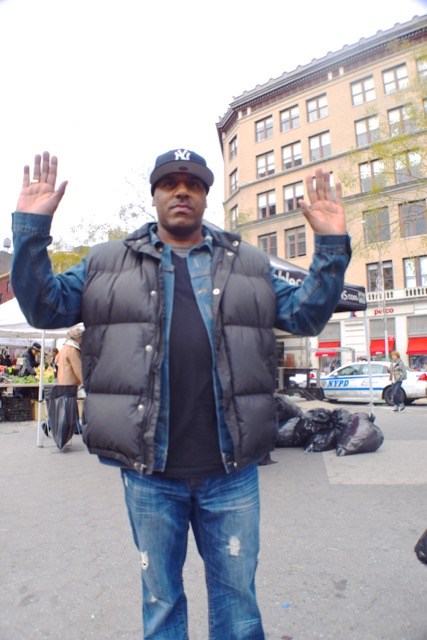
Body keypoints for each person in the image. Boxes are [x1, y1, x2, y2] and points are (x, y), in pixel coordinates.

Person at [11, 149, 351, 640]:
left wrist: (331, 244)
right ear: (154, 195)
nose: (181, 190)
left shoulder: (248, 265)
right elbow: (44, 307)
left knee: (238, 604)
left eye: (193, 182)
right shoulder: (106, 263)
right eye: (169, 182)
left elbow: (305, 316)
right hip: (150, 472)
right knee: (161, 599)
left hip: (230, 472)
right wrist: (30, 231)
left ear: (206, 196)